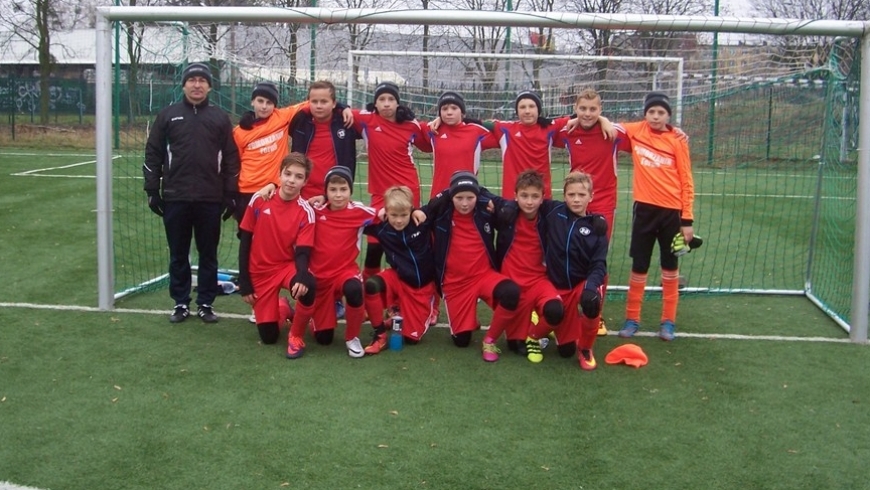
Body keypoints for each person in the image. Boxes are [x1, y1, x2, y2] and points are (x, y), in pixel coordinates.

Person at [143, 62, 240, 324]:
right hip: (176, 196)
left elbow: (231, 158)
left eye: (202, 80)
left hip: (210, 198)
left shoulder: (220, 118)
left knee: (208, 254)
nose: (197, 85)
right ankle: (180, 303)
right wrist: (152, 189)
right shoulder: (168, 115)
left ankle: (206, 303)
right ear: (184, 84)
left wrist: (230, 194)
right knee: (178, 253)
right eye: (192, 80)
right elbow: (153, 153)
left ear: (209, 86)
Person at [616, 92, 695, 342]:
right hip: (644, 211)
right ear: (645, 114)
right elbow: (606, 124)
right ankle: (632, 318)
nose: (656, 116)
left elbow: (686, 180)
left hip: (671, 213)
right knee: (639, 265)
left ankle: (668, 321)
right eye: (652, 112)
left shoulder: (677, 140)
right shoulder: (636, 131)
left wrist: (687, 220)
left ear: (668, 115)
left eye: (661, 112)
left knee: (670, 267)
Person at [558, 88, 632, 335]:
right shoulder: (567, 131)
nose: (587, 114)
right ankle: (565, 306)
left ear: (600, 110)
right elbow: (539, 126)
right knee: (567, 251)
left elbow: (641, 134)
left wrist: (606, 122)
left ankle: (595, 313)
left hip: (602, 203)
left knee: (596, 257)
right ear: (576, 109)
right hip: (574, 201)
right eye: (583, 109)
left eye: (593, 110)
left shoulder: (612, 133)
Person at [428, 171, 521, 348]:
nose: (464, 203)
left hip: (484, 275)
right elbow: (420, 213)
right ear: (451, 197)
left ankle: (491, 338)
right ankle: (468, 319)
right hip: (455, 283)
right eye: (459, 197)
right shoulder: (441, 213)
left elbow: (510, 207)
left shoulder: (485, 210)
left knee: (511, 293)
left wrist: (492, 198)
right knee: (462, 342)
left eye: (470, 197)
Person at [237, 152, 317, 358]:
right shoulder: (260, 199)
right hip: (259, 272)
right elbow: (245, 240)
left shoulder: (305, 211)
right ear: (279, 174)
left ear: (305, 181)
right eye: (288, 174)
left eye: (298, 176)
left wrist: (301, 274)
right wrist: (244, 281)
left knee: (307, 285)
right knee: (269, 337)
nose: (292, 180)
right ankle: (283, 307)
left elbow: (303, 251)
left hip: (285, 268)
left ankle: (296, 336)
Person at [352, 81, 433, 281]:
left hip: (406, 191)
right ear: (375, 103)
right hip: (380, 193)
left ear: (398, 103)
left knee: (402, 244)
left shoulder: (411, 125)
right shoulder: (366, 120)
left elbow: (429, 145)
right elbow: (336, 109)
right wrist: (341, 109)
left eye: (391, 99)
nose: (386, 104)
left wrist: (435, 123)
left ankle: (400, 295)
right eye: (382, 99)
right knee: (374, 246)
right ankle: (370, 291)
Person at [483, 170, 564, 363]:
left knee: (556, 311)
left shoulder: (548, 214)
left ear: (543, 198)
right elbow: (479, 191)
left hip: (538, 282)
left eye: (535, 196)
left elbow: (572, 207)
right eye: (524, 196)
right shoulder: (507, 212)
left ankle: (534, 336)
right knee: (514, 346)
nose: (529, 202)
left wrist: (596, 219)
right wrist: (509, 205)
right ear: (515, 195)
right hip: (512, 284)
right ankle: (490, 339)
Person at [531, 171, 609, 370]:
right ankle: (534, 331)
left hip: (578, 285)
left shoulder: (597, 228)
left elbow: (599, 264)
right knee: (565, 351)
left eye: (581, 195)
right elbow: (528, 197)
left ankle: (585, 348)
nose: (576, 199)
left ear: (591, 197)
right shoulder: (552, 211)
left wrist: (591, 287)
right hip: (555, 287)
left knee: (591, 302)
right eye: (571, 194)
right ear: (564, 195)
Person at [305, 165, 377, 358]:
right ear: (325, 191)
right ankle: (310, 316)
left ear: (350, 191)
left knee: (354, 289)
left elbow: (388, 213)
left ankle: (352, 337)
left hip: (344, 273)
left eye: (343, 189)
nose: (338, 195)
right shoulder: (315, 210)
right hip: (319, 279)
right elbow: (292, 205)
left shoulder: (360, 212)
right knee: (323, 339)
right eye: (333, 189)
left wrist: (413, 211)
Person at [361, 186, 439, 355]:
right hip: (398, 278)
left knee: (411, 339)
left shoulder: (422, 222)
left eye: (403, 215)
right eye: (393, 215)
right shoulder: (381, 228)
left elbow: (445, 197)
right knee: (372, 284)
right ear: (386, 212)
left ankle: (415, 310)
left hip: (421, 289)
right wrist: (376, 212)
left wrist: (419, 210)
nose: (398, 220)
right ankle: (379, 335)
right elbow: (349, 214)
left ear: (411, 210)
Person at [490, 91, 571, 199]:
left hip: (542, 198)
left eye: (531, 106)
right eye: (522, 107)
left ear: (538, 109)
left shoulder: (550, 127)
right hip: (513, 199)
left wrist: (601, 119)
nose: (527, 111)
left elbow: (581, 116)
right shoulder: (506, 129)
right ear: (517, 112)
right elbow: (479, 124)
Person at [425, 91, 499, 198]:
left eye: (454, 108)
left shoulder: (476, 131)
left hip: (466, 197)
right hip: (438, 197)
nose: (449, 112)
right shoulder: (433, 130)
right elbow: (411, 129)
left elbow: (503, 132)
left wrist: (473, 121)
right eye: (444, 109)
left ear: (462, 112)